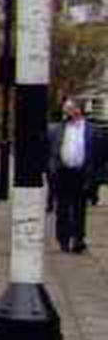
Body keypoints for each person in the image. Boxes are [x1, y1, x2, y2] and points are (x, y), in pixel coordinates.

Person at [48, 97, 106, 253]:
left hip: (82, 173)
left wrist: (96, 175)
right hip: (62, 172)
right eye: (65, 108)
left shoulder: (92, 130)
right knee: (62, 208)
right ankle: (63, 239)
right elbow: (50, 150)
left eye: (69, 108)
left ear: (78, 110)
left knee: (79, 209)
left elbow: (100, 154)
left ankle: (78, 239)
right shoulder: (56, 128)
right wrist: (51, 167)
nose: (65, 111)